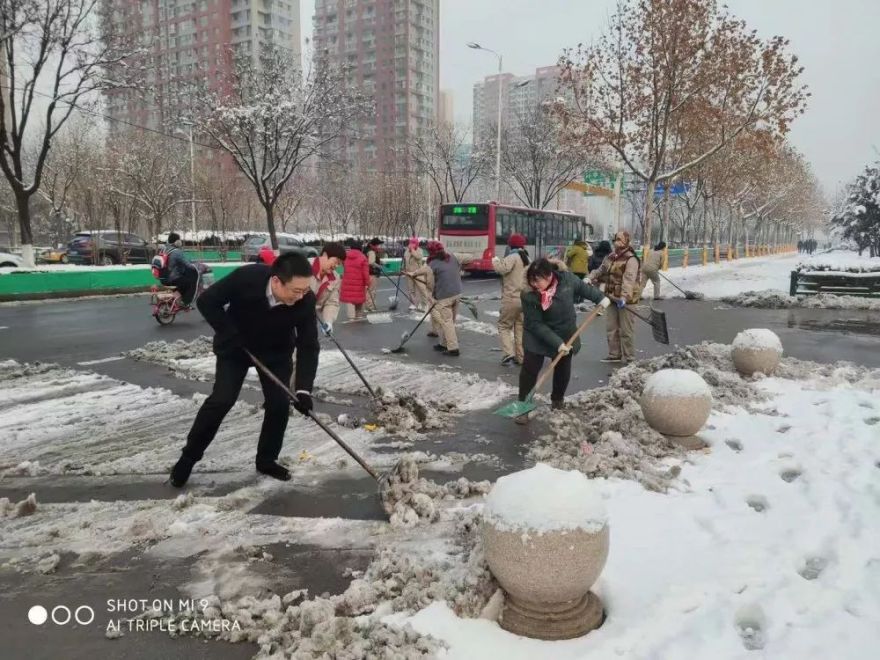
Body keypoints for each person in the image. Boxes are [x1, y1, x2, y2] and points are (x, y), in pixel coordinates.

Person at [169, 253, 320, 487]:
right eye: (296, 291)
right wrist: (228, 332)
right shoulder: (247, 278)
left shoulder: (305, 300)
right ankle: (189, 457)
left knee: (279, 404)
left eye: (305, 291)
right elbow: (207, 301)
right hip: (236, 348)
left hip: (275, 353)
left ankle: (267, 460)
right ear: (277, 281)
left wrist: (303, 390)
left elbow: (309, 344)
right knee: (221, 400)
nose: (301, 296)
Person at [519, 258, 608, 422]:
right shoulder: (528, 294)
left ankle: (557, 400)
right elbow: (536, 324)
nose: (534, 284)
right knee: (529, 370)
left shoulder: (567, 280)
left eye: (537, 280)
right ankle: (523, 406)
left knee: (562, 367)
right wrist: (557, 343)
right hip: (537, 334)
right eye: (531, 280)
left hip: (565, 331)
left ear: (549, 275)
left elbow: (583, 288)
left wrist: (600, 298)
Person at [589, 231, 641, 364]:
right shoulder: (611, 257)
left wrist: (624, 297)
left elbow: (629, 279)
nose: (616, 242)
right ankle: (614, 354)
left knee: (626, 330)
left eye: (620, 239)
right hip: (612, 297)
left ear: (626, 241)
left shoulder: (631, 259)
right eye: (615, 239)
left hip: (626, 300)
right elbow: (601, 270)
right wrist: (589, 277)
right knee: (611, 328)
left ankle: (630, 357)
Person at [410, 240, 462, 356]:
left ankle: (453, 348)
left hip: (445, 296)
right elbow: (467, 259)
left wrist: (413, 275)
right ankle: (444, 344)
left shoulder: (432, 264)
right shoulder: (453, 257)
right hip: (457, 293)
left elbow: (430, 284)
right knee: (450, 321)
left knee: (446, 321)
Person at [492, 233, 530, 366]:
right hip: (524, 300)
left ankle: (508, 353)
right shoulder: (527, 259)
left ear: (510, 245)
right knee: (520, 327)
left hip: (511, 298)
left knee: (504, 326)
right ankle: (521, 357)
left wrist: (495, 261)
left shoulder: (512, 257)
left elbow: (501, 269)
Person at [310, 242, 347, 334]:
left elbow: (332, 302)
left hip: (309, 320)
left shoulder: (335, 278)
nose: (336, 266)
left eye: (339, 264)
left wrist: (328, 321)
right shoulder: (305, 266)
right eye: (336, 262)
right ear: (325, 255)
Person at [154, 232, 198, 307]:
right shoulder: (177, 252)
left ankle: (177, 299)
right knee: (191, 283)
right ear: (177, 242)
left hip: (163, 279)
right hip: (173, 279)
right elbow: (187, 265)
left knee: (183, 281)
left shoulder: (163, 250)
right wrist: (195, 266)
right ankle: (185, 302)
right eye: (179, 240)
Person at [340, 243, 370, 321]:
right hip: (359, 283)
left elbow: (344, 266)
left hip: (347, 282)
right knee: (359, 300)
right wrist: (367, 283)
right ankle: (358, 316)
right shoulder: (363, 257)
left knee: (349, 300)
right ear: (360, 248)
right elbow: (365, 273)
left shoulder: (346, 256)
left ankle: (351, 317)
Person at [403, 237, 428, 310]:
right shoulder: (407, 251)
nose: (411, 245)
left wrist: (412, 250)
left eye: (413, 243)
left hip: (418, 273)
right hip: (408, 272)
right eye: (411, 243)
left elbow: (418, 257)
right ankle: (413, 303)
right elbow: (405, 260)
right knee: (411, 289)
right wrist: (404, 269)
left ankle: (424, 304)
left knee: (421, 289)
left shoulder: (420, 250)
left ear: (417, 244)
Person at [364, 237, 384, 311]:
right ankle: (370, 306)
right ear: (374, 245)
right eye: (378, 245)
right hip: (372, 273)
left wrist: (380, 263)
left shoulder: (367, 250)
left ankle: (369, 306)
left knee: (368, 290)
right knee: (371, 290)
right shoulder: (371, 252)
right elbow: (371, 262)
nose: (379, 247)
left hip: (368, 273)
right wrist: (379, 266)